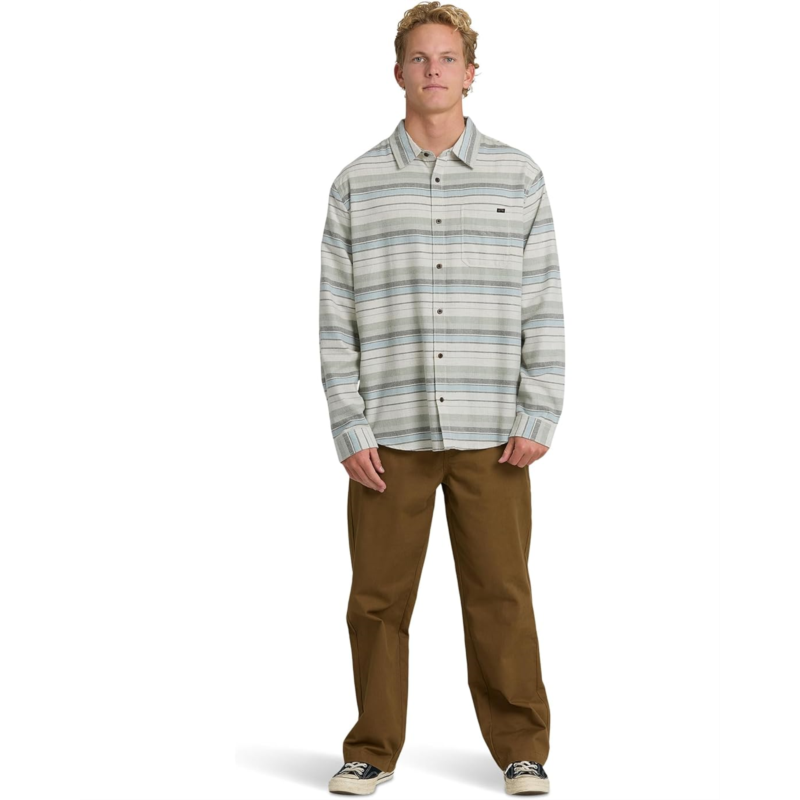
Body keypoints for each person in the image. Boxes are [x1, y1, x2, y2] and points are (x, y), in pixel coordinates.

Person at [319, 2, 564, 795]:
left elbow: (543, 301)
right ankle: (371, 748)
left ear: (470, 72)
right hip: (387, 434)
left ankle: (522, 749)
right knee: (376, 601)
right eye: (420, 58)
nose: (433, 70)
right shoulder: (355, 185)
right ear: (398, 72)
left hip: (494, 430)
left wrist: (540, 409)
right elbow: (335, 315)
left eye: (447, 58)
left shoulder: (519, 176)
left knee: (501, 595)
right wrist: (349, 423)